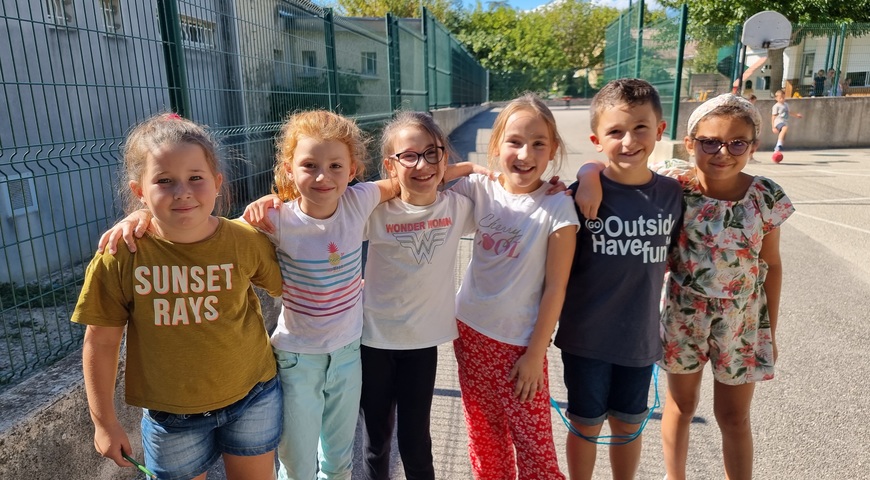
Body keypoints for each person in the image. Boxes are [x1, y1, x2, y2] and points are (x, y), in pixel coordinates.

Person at [73, 113, 285, 480]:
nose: (182, 191)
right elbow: (101, 341)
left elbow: (292, 285)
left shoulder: (244, 241)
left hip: (254, 397)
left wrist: (282, 205)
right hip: (171, 419)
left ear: (217, 183)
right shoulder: (120, 255)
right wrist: (104, 423)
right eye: (164, 181)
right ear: (140, 191)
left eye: (195, 178)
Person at [557, 79, 683, 480]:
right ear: (597, 140)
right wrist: (588, 174)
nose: (629, 141)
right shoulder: (580, 195)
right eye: (615, 132)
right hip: (586, 339)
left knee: (628, 426)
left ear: (659, 130)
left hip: (639, 340)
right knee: (586, 425)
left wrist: (589, 170)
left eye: (640, 128)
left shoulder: (673, 194)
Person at [451, 93, 579, 480]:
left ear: (553, 149)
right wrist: (469, 166)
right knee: (485, 437)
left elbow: (556, 288)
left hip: (520, 347)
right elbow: (427, 178)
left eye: (538, 143)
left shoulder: (558, 206)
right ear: (496, 146)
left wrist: (535, 354)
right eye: (514, 142)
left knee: (535, 449)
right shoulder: (479, 187)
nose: (525, 154)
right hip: (469, 332)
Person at [358, 111, 477, 480]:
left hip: (422, 346)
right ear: (389, 165)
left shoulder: (459, 206)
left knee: (416, 443)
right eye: (408, 156)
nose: (422, 165)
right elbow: (323, 210)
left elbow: (512, 191)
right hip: (373, 341)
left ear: (444, 156)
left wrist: (470, 168)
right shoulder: (375, 211)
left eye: (431, 153)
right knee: (376, 442)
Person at [771, 89, 802, 161]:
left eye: (783, 97)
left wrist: (796, 115)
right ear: (776, 98)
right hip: (778, 121)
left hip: (784, 122)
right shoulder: (776, 106)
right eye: (780, 98)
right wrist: (773, 127)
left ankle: (777, 150)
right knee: (785, 128)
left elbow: (789, 112)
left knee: (783, 136)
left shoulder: (786, 105)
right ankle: (779, 144)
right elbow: (773, 116)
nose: (782, 99)